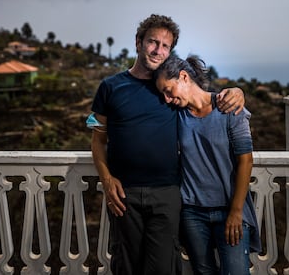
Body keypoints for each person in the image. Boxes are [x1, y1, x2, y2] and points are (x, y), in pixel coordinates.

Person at [87, 14, 245, 275]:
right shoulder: (110, 87)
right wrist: (106, 179)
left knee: (163, 269)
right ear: (138, 42)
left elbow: (204, 100)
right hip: (124, 195)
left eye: (165, 46)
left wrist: (238, 92)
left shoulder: (170, 89)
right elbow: (97, 140)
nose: (158, 50)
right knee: (126, 267)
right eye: (152, 42)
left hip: (167, 194)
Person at [153, 54, 261, 275]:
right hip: (192, 213)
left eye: (168, 90)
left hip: (230, 210)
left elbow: (245, 161)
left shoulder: (228, 109)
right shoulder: (177, 114)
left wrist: (236, 211)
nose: (166, 98)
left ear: (183, 77)